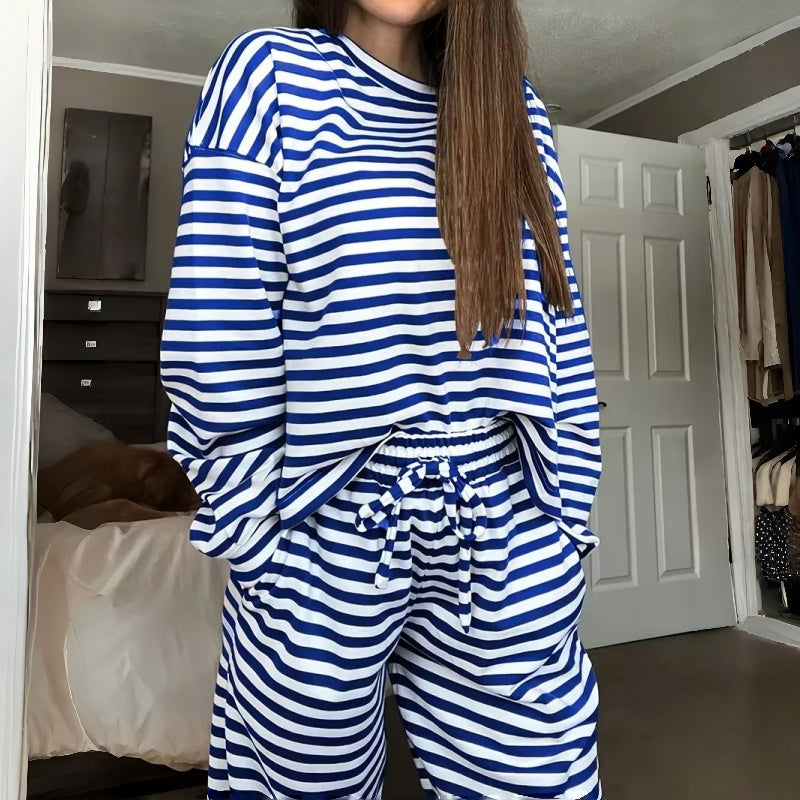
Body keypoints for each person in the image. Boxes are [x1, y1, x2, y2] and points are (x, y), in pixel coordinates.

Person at [160, 0, 602, 797]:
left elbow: (560, 329)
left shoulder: (516, 109)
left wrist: (564, 519)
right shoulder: (268, 78)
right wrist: (264, 541)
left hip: (505, 522)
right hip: (321, 526)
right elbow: (218, 332)